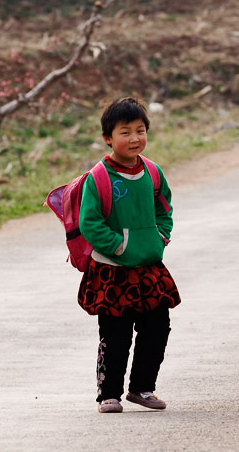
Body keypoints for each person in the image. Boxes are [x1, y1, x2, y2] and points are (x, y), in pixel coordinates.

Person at [77, 96, 180, 414]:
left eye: (140, 130)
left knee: (157, 328)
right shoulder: (99, 178)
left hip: (149, 268)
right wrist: (119, 246)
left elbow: (165, 208)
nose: (135, 138)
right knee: (115, 335)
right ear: (108, 138)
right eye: (125, 132)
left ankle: (142, 388)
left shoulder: (152, 172)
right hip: (111, 270)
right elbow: (89, 223)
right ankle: (109, 394)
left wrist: (160, 236)